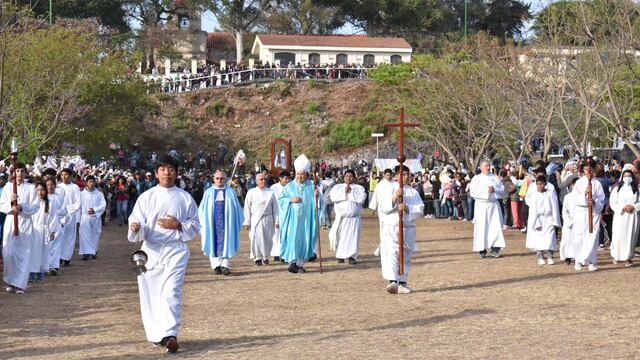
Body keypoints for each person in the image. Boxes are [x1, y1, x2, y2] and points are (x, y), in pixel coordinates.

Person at [128, 155, 200, 353]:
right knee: (150, 294)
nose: (167, 173)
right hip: (150, 251)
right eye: (163, 169)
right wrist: (135, 227)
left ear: (176, 173)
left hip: (175, 251)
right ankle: (156, 334)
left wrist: (178, 225)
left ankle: (170, 334)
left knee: (171, 292)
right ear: (157, 173)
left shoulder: (185, 198)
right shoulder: (147, 197)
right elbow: (136, 221)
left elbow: (194, 225)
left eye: (171, 169)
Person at [377, 165, 424, 294]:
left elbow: (420, 208)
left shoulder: (413, 192)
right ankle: (392, 281)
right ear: (396, 175)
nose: (406, 177)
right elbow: (382, 206)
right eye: (403, 174)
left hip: (407, 227)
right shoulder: (388, 188)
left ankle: (403, 282)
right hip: (392, 226)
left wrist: (407, 208)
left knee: (406, 254)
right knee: (391, 252)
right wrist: (394, 198)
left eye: (407, 175)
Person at [1, 163, 40, 294]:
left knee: (24, 253)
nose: (19, 174)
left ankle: (20, 284)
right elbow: (2, 206)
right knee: (9, 253)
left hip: (24, 222)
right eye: (17, 171)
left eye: (22, 171)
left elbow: (35, 206)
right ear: (13, 173)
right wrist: (11, 204)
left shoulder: (30, 188)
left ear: (25, 173)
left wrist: (22, 207)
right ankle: (11, 281)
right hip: (11, 221)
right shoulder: (7, 187)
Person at [278, 154, 320, 274]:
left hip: (306, 219)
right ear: (295, 174)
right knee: (293, 239)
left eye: (302, 174)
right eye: (298, 174)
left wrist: (317, 196)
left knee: (304, 239)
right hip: (293, 220)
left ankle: (300, 264)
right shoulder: (289, 186)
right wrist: (291, 200)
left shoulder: (311, 186)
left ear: (306, 174)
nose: (300, 176)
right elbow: (281, 200)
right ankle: (292, 262)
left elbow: (318, 201)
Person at [199, 170, 244, 275]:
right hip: (212, 224)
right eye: (217, 178)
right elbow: (202, 210)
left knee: (227, 241)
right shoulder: (208, 192)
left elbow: (237, 209)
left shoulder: (230, 192)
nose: (219, 180)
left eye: (221, 178)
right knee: (212, 241)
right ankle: (216, 266)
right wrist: (203, 222)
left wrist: (237, 221)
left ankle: (225, 266)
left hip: (227, 224)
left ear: (225, 179)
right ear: (213, 179)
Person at [571, 158, 605, 271]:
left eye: (590, 169)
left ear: (594, 170)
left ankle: (592, 261)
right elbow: (574, 199)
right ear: (583, 170)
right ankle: (579, 260)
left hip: (593, 213)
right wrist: (584, 194)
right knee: (580, 237)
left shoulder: (597, 183)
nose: (588, 171)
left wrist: (594, 202)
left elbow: (601, 199)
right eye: (586, 169)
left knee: (593, 236)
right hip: (581, 213)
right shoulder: (579, 183)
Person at [469, 159, 506, 258]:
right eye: (486, 166)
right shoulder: (476, 179)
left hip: (493, 205)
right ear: (481, 167)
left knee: (495, 227)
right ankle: (482, 250)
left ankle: (495, 249)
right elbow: (472, 192)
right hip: (481, 205)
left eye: (489, 165)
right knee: (481, 228)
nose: (488, 168)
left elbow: (502, 190)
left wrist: (494, 189)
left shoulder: (495, 178)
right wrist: (486, 192)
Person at [329, 170, 367, 264]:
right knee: (340, 237)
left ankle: (352, 257)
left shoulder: (359, 188)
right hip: (341, 217)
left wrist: (351, 192)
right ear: (343, 177)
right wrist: (344, 192)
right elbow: (333, 198)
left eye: (350, 176)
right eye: (346, 176)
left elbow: (361, 199)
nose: (348, 178)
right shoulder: (337, 187)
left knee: (353, 238)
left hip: (354, 218)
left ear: (354, 177)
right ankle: (340, 256)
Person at [243, 173, 279, 266]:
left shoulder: (271, 192)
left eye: (264, 179)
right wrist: (247, 221)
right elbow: (247, 207)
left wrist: (276, 220)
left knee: (267, 239)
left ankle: (265, 257)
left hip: (268, 218)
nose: (263, 181)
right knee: (255, 238)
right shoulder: (251, 192)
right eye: (261, 179)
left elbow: (275, 207)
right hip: (255, 219)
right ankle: (257, 258)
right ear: (256, 181)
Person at [525, 176, 561, 265]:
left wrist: (555, 219)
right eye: (538, 184)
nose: (539, 186)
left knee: (550, 238)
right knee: (538, 238)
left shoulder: (550, 194)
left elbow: (555, 207)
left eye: (541, 184)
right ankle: (540, 256)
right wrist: (535, 222)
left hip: (549, 218)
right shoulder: (534, 195)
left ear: (545, 184)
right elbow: (533, 210)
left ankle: (550, 255)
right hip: (538, 219)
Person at [28, 182, 60, 283]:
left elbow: (53, 218)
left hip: (44, 230)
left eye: (42, 190)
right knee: (33, 253)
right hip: (34, 230)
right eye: (38, 190)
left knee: (43, 253)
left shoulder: (50, 203)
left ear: (45, 191)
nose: (40, 192)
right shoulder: (32, 203)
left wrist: (52, 230)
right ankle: (32, 274)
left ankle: (40, 273)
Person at [609, 169, 640, 266]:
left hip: (632, 216)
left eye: (629, 176)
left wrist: (633, 207)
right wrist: (622, 207)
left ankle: (628, 258)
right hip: (620, 216)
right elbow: (612, 202)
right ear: (622, 177)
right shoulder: (617, 188)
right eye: (625, 176)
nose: (627, 178)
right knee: (618, 235)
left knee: (630, 236)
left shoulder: (637, 189)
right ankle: (616, 256)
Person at [79, 176, 106, 261]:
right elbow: (78, 206)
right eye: (90, 181)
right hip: (85, 217)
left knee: (95, 235)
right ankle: (86, 253)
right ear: (86, 183)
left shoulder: (99, 194)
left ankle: (94, 251)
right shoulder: (81, 194)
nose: (91, 183)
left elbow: (103, 205)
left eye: (93, 182)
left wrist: (95, 210)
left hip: (95, 218)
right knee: (85, 235)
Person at [58, 168, 82, 267]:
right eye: (62, 174)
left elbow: (78, 203)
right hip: (59, 216)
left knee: (69, 237)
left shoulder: (75, 187)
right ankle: (59, 257)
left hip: (70, 216)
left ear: (71, 176)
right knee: (59, 237)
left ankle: (67, 257)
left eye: (66, 175)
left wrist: (68, 210)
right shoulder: (58, 187)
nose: (64, 177)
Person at [45, 177, 67, 276]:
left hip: (56, 225)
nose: (50, 187)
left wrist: (59, 222)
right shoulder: (42, 197)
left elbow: (63, 211)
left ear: (55, 185)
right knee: (45, 246)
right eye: (48, 185)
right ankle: (45, 266)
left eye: (52, 184)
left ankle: (53, 266)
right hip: (44, 226)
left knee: (55, 246)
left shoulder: (59, 197)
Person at [270, 170, 290, 263]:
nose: (287, 180)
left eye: (288, 179)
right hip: (277, 213)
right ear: (280, 178)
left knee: (286, 235)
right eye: (285, 178)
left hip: (287, 214)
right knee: (276, 235)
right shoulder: (273, 188)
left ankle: (284, 254)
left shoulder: (290, 187)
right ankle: (276, 254)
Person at [560, 178, 579, 265]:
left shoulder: (583, 197)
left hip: (579, 221)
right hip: (569, 222)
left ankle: (577, 256)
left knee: (578, 240)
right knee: (567, 240)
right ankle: (567, 256)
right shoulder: (567, 197)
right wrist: (568, 221)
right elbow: (565, 211)